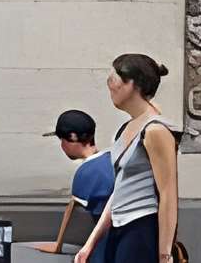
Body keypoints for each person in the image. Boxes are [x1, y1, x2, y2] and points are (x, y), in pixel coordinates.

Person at [73, 55, 179, 263]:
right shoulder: (126, 129)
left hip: (141, 227)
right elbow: (120, 189)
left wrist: (165, 255)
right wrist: (90, 243)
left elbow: (168, 194)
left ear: (132, 84)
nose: (110, 85)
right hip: (119, 228)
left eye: (115, 78)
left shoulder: (155, 130)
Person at [40, 108, 111, 256]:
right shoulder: (112, 159)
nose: (62, 146)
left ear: (72, 137)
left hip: (107, 248)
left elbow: (74, 213)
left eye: (62, 140)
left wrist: (57, 245)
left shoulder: (86, 173)